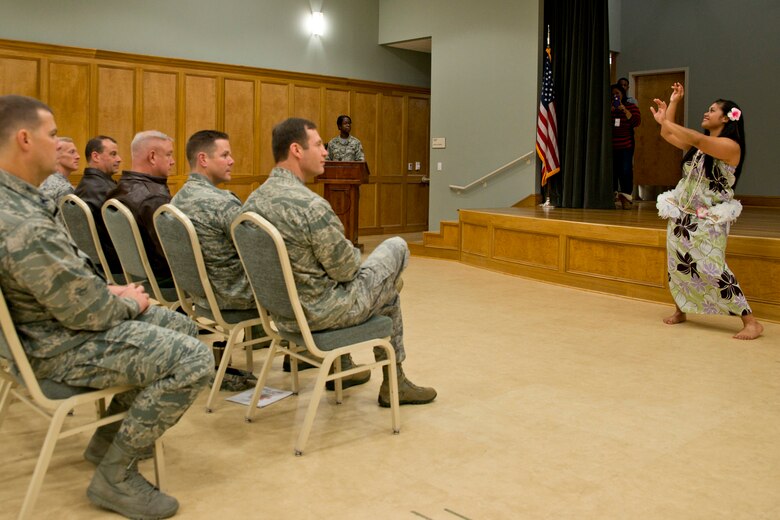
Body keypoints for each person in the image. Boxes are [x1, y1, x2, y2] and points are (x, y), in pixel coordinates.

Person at [0, 94, 212, 519]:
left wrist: (107, 291)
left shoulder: (17, 201)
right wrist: (127, 301)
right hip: (58, 348)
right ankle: (116, 475)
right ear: (25, 139)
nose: (59, 143)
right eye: (52, 134)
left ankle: (108, 438)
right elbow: (89, 314)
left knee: (181, 326)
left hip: (50, 327)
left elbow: (62, 282)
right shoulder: (22, 222)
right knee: (194, 358)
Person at [243, 117, 436, 407]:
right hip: (323, 313)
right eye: (318, 145)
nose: (325, 152)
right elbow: (347, 270)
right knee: (395, 251)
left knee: (382, 285)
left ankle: (343, 365)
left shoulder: (252, 202)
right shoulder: (311, 207)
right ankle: (395, 384)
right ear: (296, 150)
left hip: (283, 315)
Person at [173, 130, 369, 389]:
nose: (232, 160)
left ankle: (307, 353)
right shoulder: (220, 204)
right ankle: (334, 361)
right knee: (312, 265)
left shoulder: (178, 198)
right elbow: (256, 244)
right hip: (237, 293)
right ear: (203, 159)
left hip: (202, 294)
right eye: (225, 155)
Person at [651, 82, 763, 340]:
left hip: (709, 217)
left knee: (712, 266)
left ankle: (751, 322)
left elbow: (697, 138)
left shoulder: (730, 146)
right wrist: (673, 104)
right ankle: (681, 310)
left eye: (712, 110)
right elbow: (667, 134)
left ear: (726, 118)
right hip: (683, 214)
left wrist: (667, 121)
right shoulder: (701, 149)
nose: (706, 112)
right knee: (678, 263)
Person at [107, 130, 175, 286]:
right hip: (162, 281)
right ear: (152, 157)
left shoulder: (118, 188)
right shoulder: (154, 198)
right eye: (169, 154)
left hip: (135, 276)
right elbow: (172, 252)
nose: (172, 161)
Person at [75, 135, 123, 274]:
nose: (119, 159)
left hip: (94, 263)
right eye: (113, 154)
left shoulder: (86, 184)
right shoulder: (104, 190)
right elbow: (124, 232)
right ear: (96, 156)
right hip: (115, 265)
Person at [611, 83, 641, 209]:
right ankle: (612, 198)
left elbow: (636, 122)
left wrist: (624, 110)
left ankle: (626, 199)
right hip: (611, 146)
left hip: (626, 145)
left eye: (617, 93)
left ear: (622, 94)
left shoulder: (631, 106)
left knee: (626, 171)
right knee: (612, 172)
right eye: (612, 94)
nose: (615, 96)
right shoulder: (608, 107)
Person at [38, 136, 79, 205]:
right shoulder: (65, 188)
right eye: (72, 152)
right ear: (56, 156)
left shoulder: (44, 180)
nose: (78, 156)